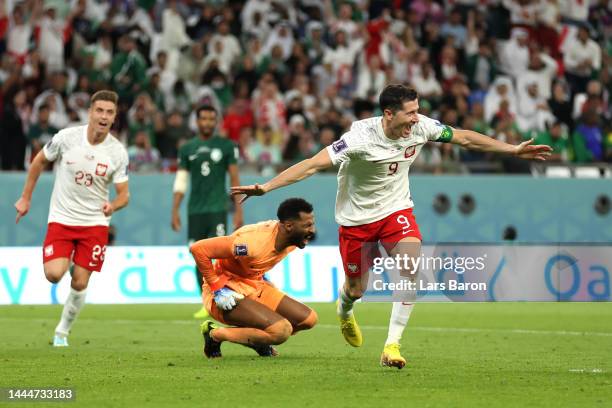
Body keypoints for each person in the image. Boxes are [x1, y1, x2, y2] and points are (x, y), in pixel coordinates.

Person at [232, 84, 552, 368]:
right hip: (356, 221)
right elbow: (312, 165)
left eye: (418, 111)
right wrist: (267, 187)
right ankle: (344, 311)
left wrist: (512, 149)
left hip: (396, 211)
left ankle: (392, 345)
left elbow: (465, 138)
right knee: (357, 289)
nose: (417, 118)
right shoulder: (358, 139)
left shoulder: (422, 128)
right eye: (411, 112)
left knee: (412, 267)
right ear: (389, 113)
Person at [14, 90, 129, 347]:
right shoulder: (67, 138)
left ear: (114, 117)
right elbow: (38, 162)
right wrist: (25, 198)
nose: (103, 116)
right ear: (90, 112)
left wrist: (113, 205)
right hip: (62, 219)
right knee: (54, 274)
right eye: (99, 110)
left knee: (79, 281)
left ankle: (62, 332)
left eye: (109, 112)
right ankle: (70, 260)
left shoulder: (117, 152)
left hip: (95, 224)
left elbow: (125, 195)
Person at [190, 198, 318, 358]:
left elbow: (254, 262)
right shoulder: (251, 243)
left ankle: (259, 340)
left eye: (312, 224)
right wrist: (217, 289)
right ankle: (215, 335)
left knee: (308, 319)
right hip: (226, 292)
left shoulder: (292, 238)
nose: (312, 230)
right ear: (289, 226)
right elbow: (198, 249)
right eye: (307, 225)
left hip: (254, 286)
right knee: (281, 331)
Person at [172, 105, 243, 319]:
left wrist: (238, 211)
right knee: (197, 257)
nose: (207, 123)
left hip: (217, 209)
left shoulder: (227, 146)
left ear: (216, 122)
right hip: (195, 211)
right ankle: (206, 302)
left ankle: (225, 295)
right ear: (197, 121)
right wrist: (175, 209)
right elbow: (181, 180)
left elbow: (234, 179)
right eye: (203, 118)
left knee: (220, 257)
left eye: (211, 119)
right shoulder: (187, 148)